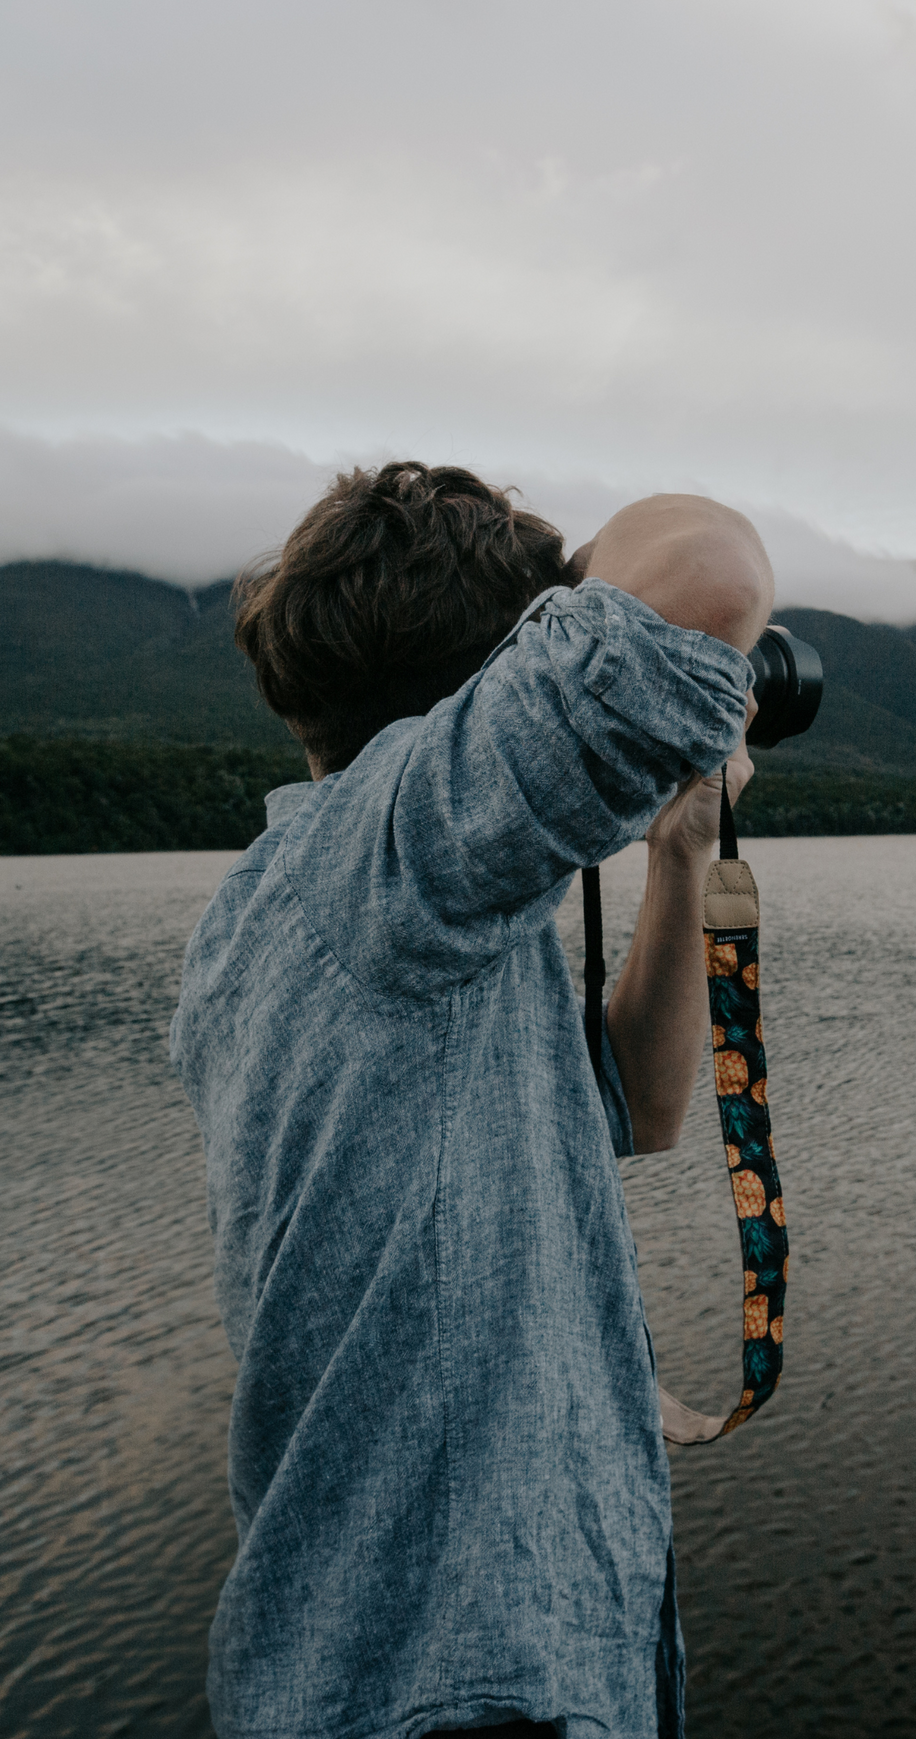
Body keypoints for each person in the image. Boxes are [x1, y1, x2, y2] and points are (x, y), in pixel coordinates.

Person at [170, 462, 774, 1739]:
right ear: (498, 673)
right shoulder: (387, 860)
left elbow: (641, 1109)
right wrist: (569, 596)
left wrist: (678, 856)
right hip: (451, 1681)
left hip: (443, 1661)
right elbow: (709, 566)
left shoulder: (348, 908)